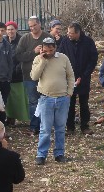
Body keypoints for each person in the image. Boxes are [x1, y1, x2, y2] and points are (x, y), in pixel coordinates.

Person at [31, 37, 75, 165]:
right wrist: (43, 61)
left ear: (55, 48)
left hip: (62, 98)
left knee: (60, 128)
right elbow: (34, 76)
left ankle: (59, 153)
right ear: (42, 48)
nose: (49, 52)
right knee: (45, 128)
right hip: (46, 98)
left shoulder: (63, 58)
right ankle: (41, 154)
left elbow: (70, 75)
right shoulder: (38, 59)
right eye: (46, 49)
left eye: (51, 49)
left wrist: (69, 92)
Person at [58, 22, 97, 134]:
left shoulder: (88, 42)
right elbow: (60, 56)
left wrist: (84, 75)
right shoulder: (65, 41)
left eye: (71, 33)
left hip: (84, 78)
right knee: (69, 103)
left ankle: (85, 126)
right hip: (69, 78)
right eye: (68, 32)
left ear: (78, 33)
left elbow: (93, 59)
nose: (68, 34)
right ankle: (70, 127)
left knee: (84, 103)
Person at [15, 16, 49, 135]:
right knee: (33, 101)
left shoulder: (47, 37)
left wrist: (44, 53)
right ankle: (34, 126)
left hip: (45, 75)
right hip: (29, 75)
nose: (33, 28)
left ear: (39, 24)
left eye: (34, 25)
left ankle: (45, 125)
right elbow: (18, 56)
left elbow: (54, 53)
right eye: (30, 26)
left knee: (45, 100)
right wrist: (33, 53)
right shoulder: (25, 39)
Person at [4, 21, 28, 125]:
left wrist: (17, 68)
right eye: (8, 29)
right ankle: (10, 118)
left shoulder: (21, 40)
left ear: (16, 30)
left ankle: (25, 118)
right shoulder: (4, 41)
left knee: (20, 98)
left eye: (12, 29)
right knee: (9, 99)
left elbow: (23, 56)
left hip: (18, 74)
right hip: (6, 74)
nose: (10, 31)